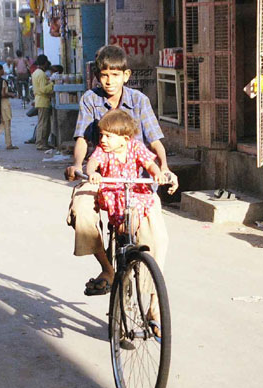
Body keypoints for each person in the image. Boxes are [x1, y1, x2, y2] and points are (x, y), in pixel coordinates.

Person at [65, 45, 179, 295]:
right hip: (101, 176)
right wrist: (78, 165)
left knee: (157, 238)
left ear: (126, 75)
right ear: (98, 76)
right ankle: (107, 269)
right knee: (81, 209)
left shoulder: (139, 100)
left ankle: (153, 307)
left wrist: (165, 167)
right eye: (104, 75)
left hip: (135, 181)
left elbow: (155, 140)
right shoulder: (90, 99)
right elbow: (83, 139)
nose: (109, 81)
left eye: (115, 75)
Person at [32, 54, 54, 151]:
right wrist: (52, 84)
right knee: (43, 123)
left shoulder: (36, 72)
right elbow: (43, 89)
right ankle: (40, 143)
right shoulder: (41, 74)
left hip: (40, 100)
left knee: (44, 123)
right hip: (43, 100)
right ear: (45, 63)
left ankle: (43, 142)